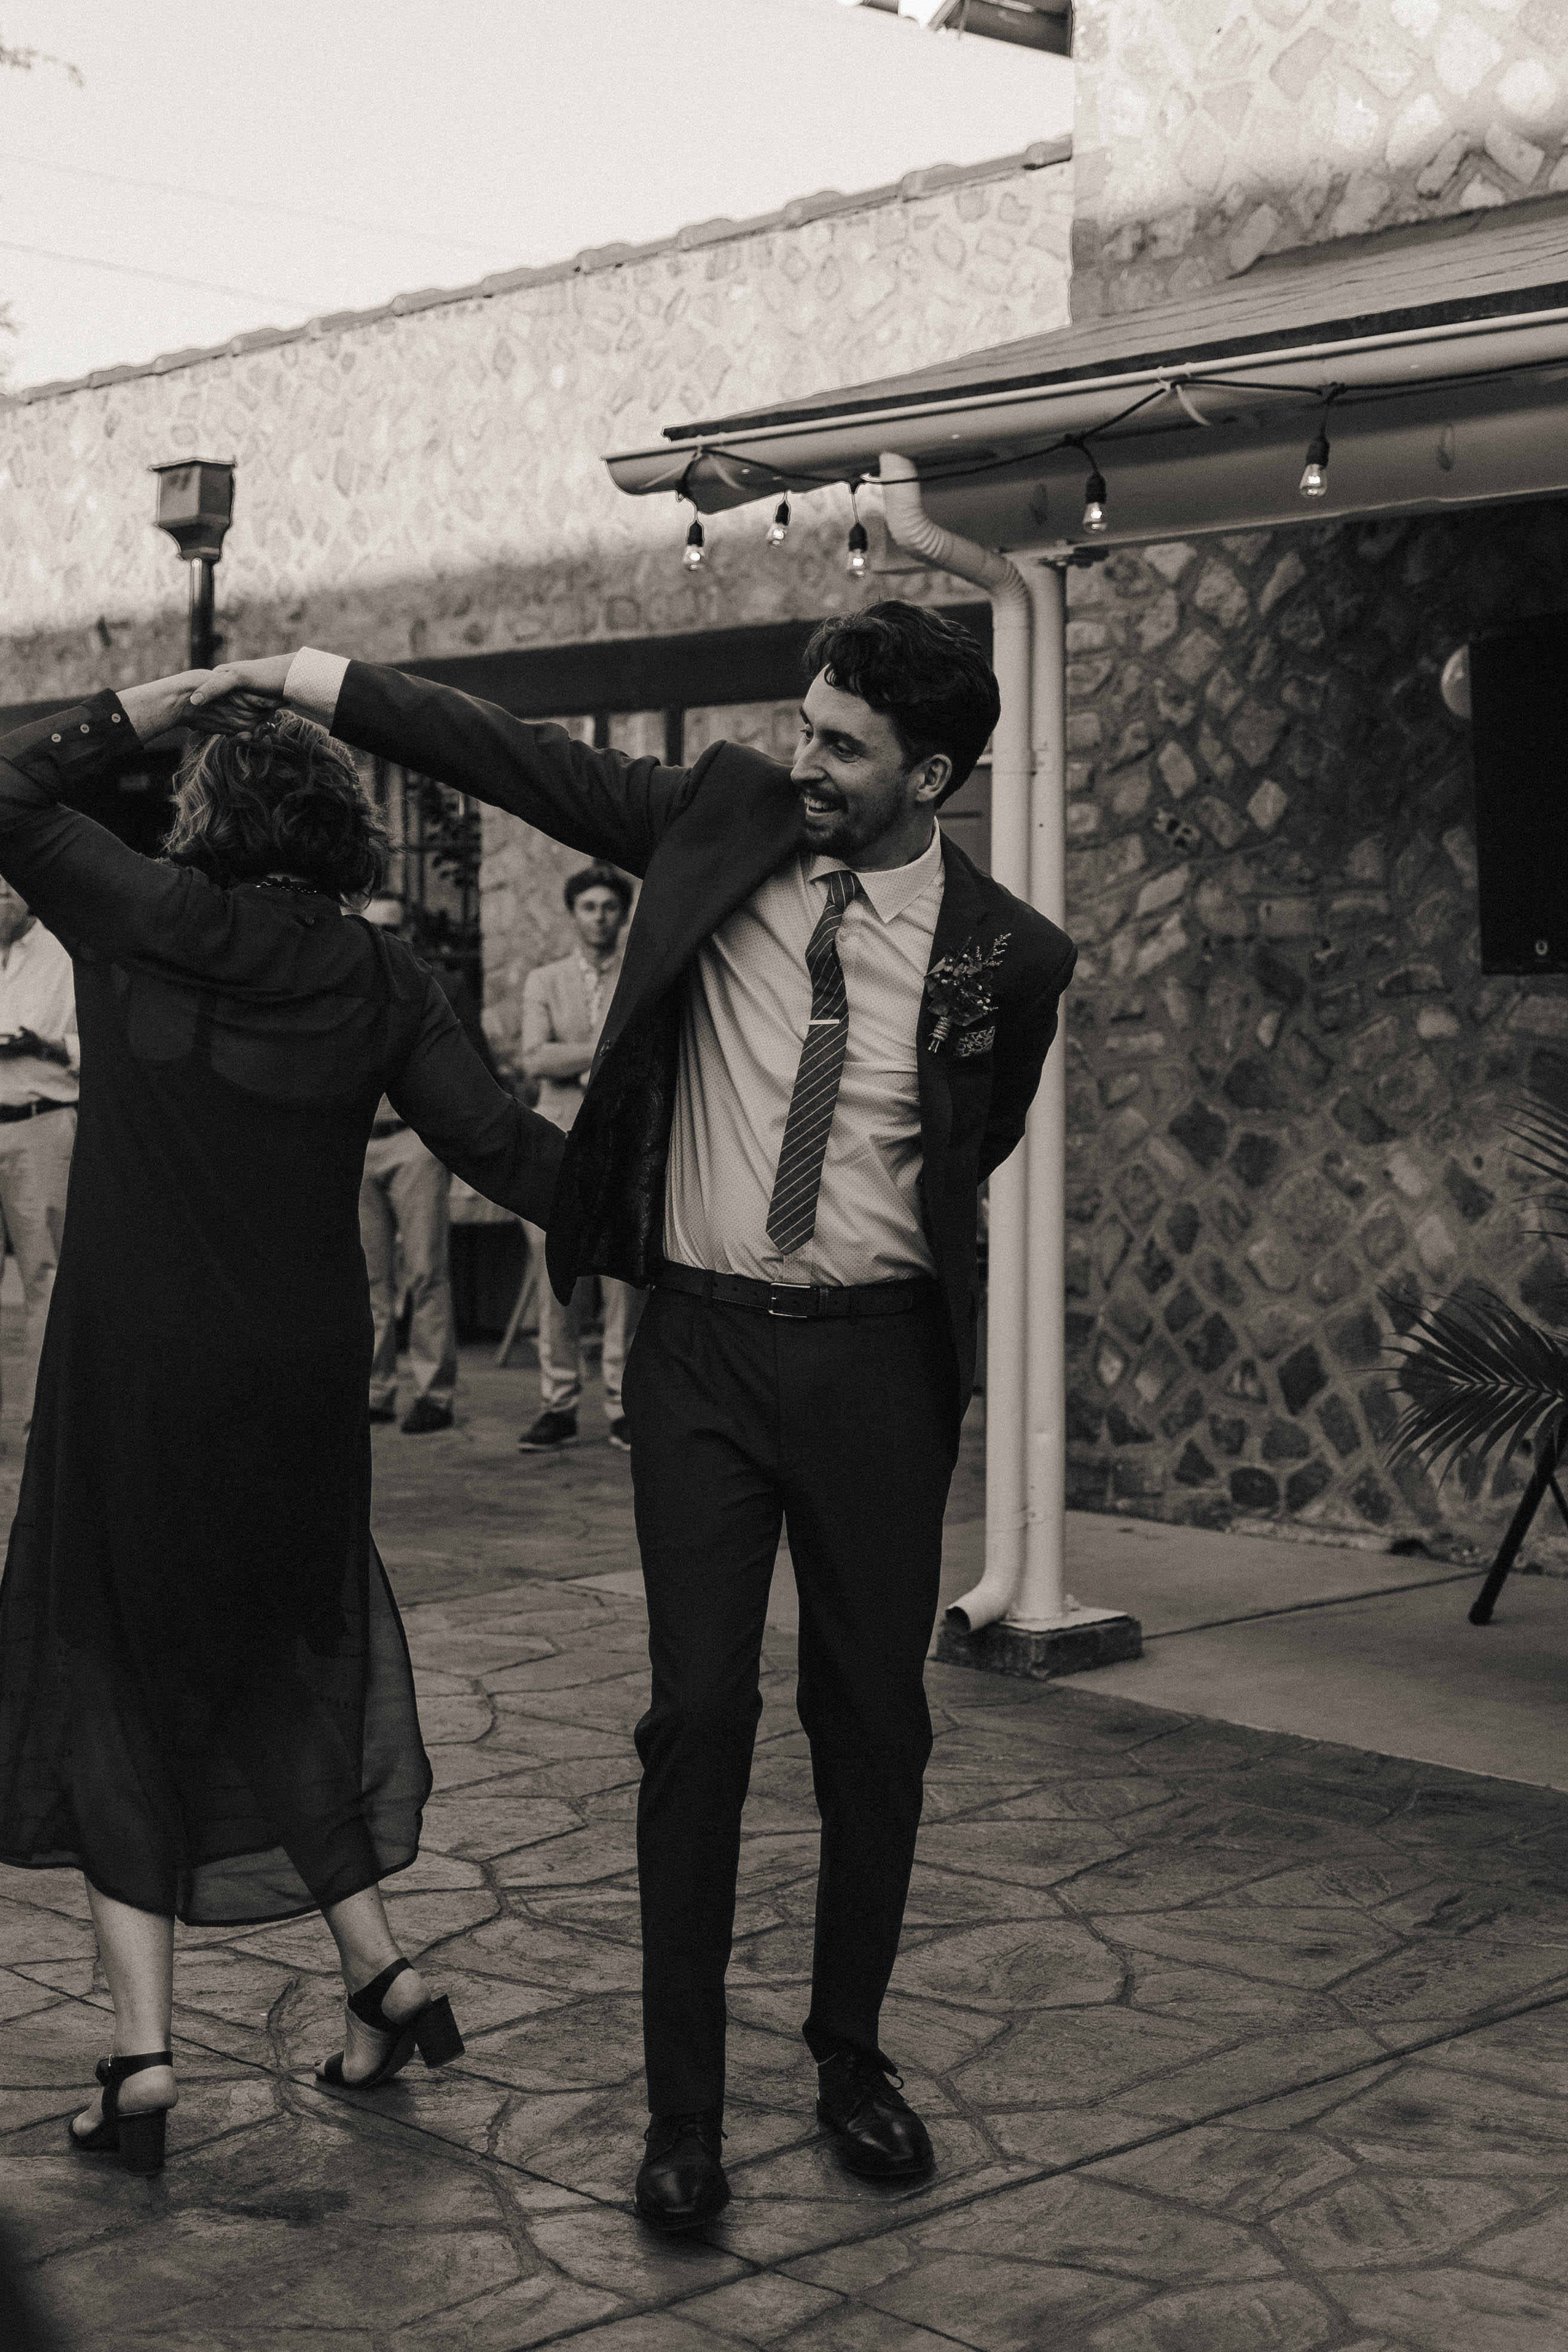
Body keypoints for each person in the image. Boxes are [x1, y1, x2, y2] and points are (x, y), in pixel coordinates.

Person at [191, 599, 1075, 2231]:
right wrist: (296, 677)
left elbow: (977, 1136)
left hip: (879, 1368)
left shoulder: (1010, 956)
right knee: (697, 1718)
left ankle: (850, 2059)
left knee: (873, 1723)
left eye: (842, 747)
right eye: (804, 726)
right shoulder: (720, 816)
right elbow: (505, 757)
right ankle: (684, 2119)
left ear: (930, 776)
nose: (804, 761)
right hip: (701, 1356)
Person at [0, 682, 564, 2176]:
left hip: (138, 1374)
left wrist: (163, 698)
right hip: (301, 1386)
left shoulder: (141, 915)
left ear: (207, 816)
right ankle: (380, 1977)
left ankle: (142, 2059)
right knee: (263, 1656)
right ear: (336, 831)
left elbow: (3, 785)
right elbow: (498, 1146)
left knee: (111, 1665)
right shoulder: (380, 974)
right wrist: (669, 1215)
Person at [517, 860, 644, 1453]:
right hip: (557, 1138)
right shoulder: (545, 981)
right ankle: (559, 1402)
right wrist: (604, 1052)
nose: (599, 918)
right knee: (555, 1274)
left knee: (624, 1281)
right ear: (573, 914)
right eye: (589, 907)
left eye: (609, 907)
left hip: (624, 1137)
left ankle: (623, 1403)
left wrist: (581, 1058)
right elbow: (534, 1059)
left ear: (622, 915)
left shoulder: (639, 977)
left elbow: (648, 1051)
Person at [357, 891, 489, 1436]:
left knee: (427, 1270)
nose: (381, 938)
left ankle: (435, 1392)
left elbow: (474, 1064)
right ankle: (376, 1390)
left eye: (392, 927)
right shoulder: (344, 985)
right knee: (368, 1276)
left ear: (410, 932)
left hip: (415, 1140)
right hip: (359, 1141)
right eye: (371, 927)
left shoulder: (439, 985)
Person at [0, 875, 78, 1435]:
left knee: (46, 1274)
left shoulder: (65, 952)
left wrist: (46, 1046)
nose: (1, 898)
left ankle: (41, 1423)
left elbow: (103, 1041)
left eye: (8, 887)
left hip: (41, 1122)